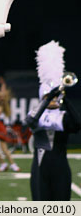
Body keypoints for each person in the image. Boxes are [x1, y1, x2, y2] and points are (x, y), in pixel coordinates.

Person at [25, 40, 81, 200]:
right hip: (40, 169)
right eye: (49, 98)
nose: (53, 101)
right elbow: (30, 122)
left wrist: (64, 98)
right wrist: (47, 98)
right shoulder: (36, 113)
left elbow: (77, 125)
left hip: (61, 169)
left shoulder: (62, 116)